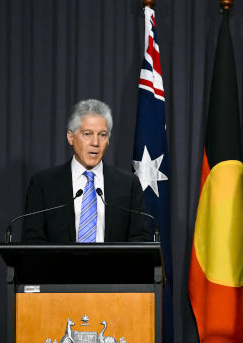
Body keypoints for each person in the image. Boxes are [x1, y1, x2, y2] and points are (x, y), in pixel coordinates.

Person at [22, 99, 150, 243]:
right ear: (71, 137)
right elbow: (32, 239)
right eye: (87, 134)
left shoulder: (128, 184)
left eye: (102, 135)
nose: (95, 143)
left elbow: (140, 238)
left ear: (108, 140)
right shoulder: (43, 184)